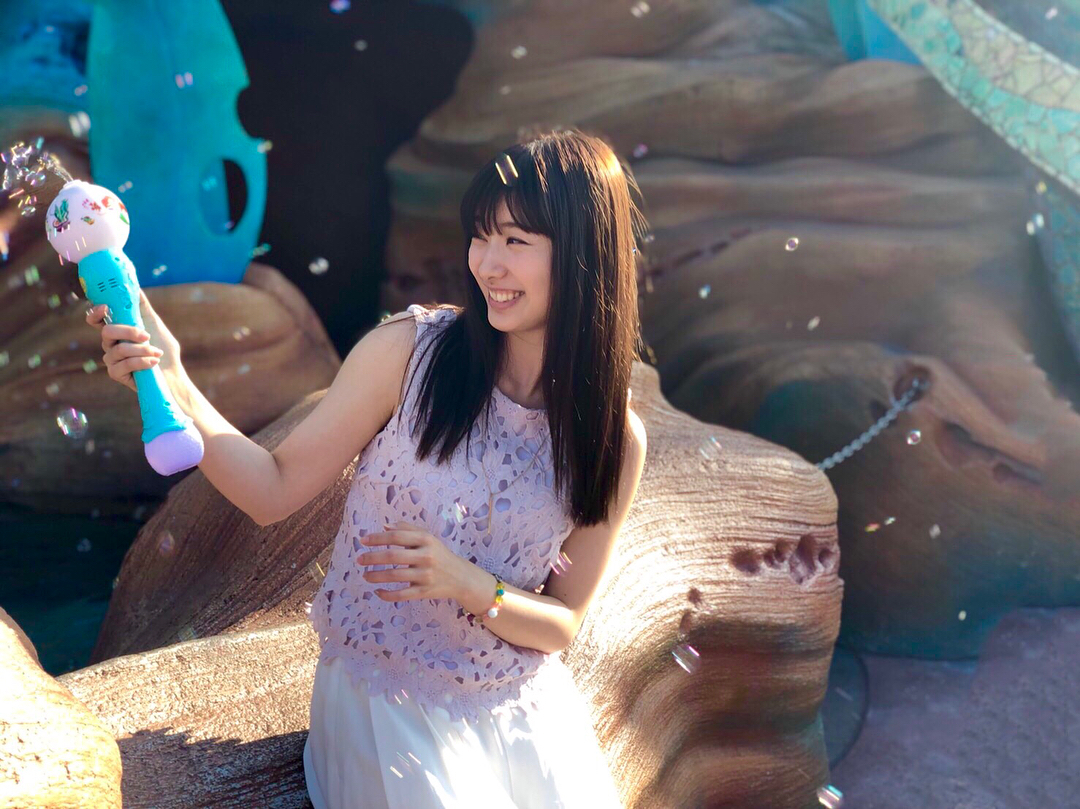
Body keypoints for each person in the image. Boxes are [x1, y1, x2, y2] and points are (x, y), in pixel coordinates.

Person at [86, 127, 648, 808]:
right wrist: (171, 377)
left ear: (584, 253)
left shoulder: (614, 438)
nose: (487, 264)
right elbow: (271, 488)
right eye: (480, 236)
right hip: (386, 707)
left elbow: (562, 622)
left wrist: (470, 583)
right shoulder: (410, 354)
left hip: (522, 716)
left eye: (515, 241)